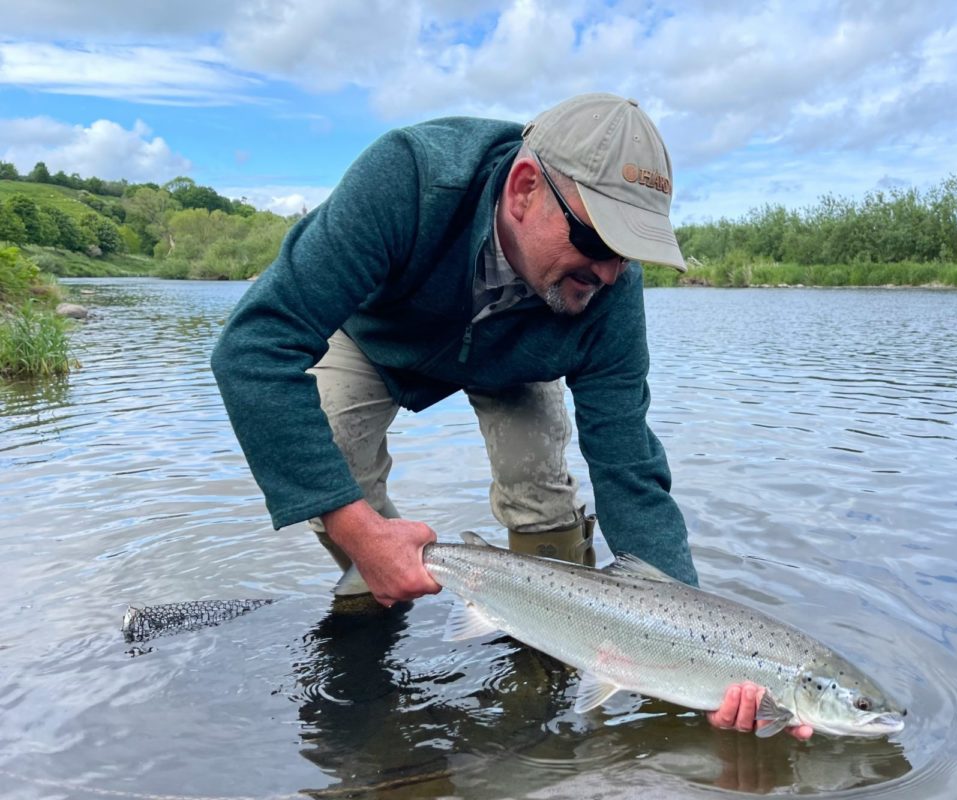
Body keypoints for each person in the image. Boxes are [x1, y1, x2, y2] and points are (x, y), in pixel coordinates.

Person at [211, 93, 811, 739]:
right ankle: (373, 597)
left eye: (627, 253)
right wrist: (354, 525)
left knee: (542, 491)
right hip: (377, 337)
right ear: (524, 189)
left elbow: (627, 463)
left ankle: (550, 653)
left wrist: (694, 638)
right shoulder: (411, 177)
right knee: (337, 457)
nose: (607, 273)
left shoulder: (605, 291)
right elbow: (255, 348)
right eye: (596, 240)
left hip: (517, 357)